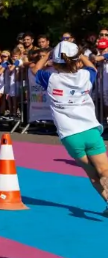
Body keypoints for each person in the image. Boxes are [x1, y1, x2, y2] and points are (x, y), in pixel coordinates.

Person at [31, 41, 108, 208]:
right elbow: (93, 68)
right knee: (104, 171)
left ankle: (107, 200)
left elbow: (35, 70)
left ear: (56, 62)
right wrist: (81, 55)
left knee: (92, 174)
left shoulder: (51, 79)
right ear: (76, 60)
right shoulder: (85, 76)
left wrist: (46, 55)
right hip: (90, 130)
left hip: (70, 135)